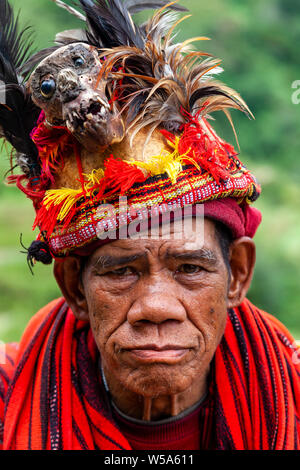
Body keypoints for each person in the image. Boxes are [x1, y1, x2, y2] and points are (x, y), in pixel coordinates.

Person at [0, 0, 299, 451]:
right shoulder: (8, 396)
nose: (156, 307)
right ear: (75, 289)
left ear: (237, 273)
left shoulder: (291, 390)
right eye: (122, 271)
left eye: (190, 268)